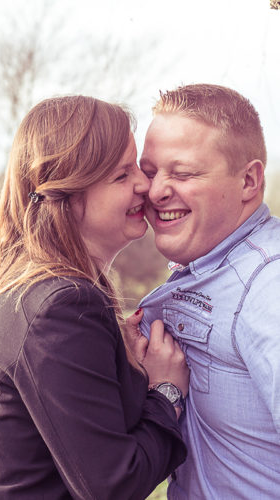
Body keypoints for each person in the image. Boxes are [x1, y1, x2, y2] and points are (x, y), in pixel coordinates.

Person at [0, 95, 188, 499]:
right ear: (69, 197)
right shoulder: (60, 307)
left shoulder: (45, 292)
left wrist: (121, 364)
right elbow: (114, 484)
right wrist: (167, 393)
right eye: (121, 175)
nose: (145, 185)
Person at [131, 83, 280, 499]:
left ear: (249, 180)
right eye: (149, 171)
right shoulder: (203, 269)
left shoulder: (269, 284)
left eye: (182, 173)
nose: (156, 191)